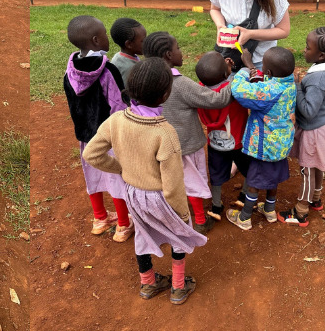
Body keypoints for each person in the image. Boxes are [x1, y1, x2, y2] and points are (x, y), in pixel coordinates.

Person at [83, 57, 205, 305]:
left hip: (133, 194)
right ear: (165, 95)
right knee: (178, 236)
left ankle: (148, 283)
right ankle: (178, 287)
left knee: (142, 234)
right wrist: (182, 213)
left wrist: (120, 168)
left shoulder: (116, 120)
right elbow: (172, 185)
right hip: (161, 197)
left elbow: (91, 154)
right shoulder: (164, 133)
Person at [142, 32, 231, 235]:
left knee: (168, 181)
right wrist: (235, 78)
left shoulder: (144, 78)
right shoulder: (180, 84)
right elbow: (216, 100)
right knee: (192, 181)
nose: (181, 52)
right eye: (178, 48)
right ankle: (200, 219)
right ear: (168, 55)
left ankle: (167, 217)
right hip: (186, 145)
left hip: (157, 145)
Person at [64, 15, 133, 242]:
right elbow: (118, 106)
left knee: (92, 175)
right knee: (115, 177)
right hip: (110, 137)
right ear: (95, 40)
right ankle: (123, 225)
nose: (107, 39)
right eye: (104, 35)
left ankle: (100, 218)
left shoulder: (69, 72)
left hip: (85, 135)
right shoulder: (108, 71)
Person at [226, 47, 296, 230]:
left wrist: (242, 71)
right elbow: (266, 83)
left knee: (254, 181)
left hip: (264, 146)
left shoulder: (269, 91)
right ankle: (270, 210)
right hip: (281, 145)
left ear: (270, 72)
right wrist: (252, 66)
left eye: (263, 67)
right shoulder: (290, 83)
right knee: (273, 178)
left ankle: (244, 217)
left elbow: (240, 90)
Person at [278, 27, 325, 227]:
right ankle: (316, 198)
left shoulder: (316, 79)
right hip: (324, 125)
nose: (304, 50)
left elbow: (307, 110)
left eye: (308, 47)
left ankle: (301, 211)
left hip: (313, 132)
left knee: (307, 170)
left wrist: (297, 87)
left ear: (321, 54)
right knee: (317, 165)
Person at [195, 51, 251, 221]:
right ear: (224, 74)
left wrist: (223, 69)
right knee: (248, 169)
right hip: (238, 142)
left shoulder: (200, 90)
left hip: (215, 142)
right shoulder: (233, 88)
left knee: (216, 173)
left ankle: (216, 205)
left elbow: (210, 77)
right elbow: (243, 76)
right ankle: (244, 196)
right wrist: (241, 67)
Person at [109, 18, 146, 87]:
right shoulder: (130, 69)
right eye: (143, 41)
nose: (147, 42)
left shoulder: (118, 56)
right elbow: (129, 94)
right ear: (129, 44)